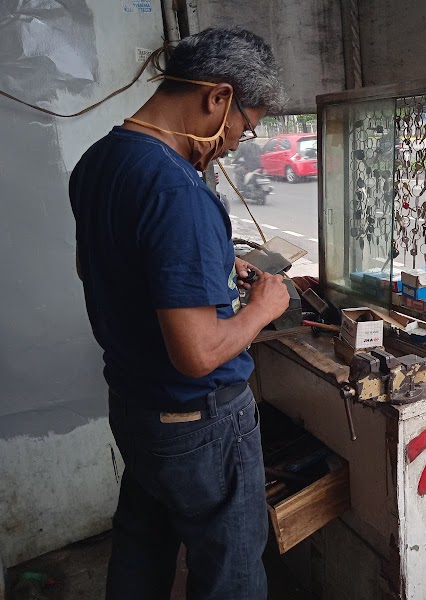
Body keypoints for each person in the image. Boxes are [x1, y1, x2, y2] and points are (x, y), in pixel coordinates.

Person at [69, 28, 290, 600]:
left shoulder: (98, 161)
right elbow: (195, 354)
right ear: (218, 97)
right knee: (231, 570)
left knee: (143, 546)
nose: (237, 141)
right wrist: (264, 307)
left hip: (136, 409)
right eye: (246, 124)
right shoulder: (177, 190)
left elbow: (107, 269)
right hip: (199, 421)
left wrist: (211, 271)